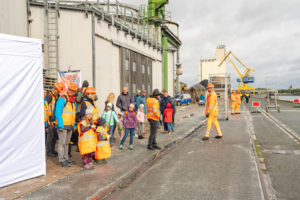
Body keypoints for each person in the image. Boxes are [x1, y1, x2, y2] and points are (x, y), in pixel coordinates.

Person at [55, 82, 78, 167]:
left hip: (70, 126)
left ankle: (66, 157)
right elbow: (58, 113)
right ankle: (61, 160)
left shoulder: (73, 101)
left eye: (73, 91)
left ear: (75, 92)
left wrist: (73, 125)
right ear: (68, 89)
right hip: (63, 125)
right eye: (70, 90)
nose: (71, 91)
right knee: (62, 143)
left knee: (67, 143)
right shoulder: (62, 99)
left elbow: (73, 114)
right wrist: (60, 125)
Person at [45, 82, 64, 157]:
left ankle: (52, 150)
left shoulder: (57, 96)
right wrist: (48, 119)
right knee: (50, 136)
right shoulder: (49, 96)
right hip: (49, 119)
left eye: (58, 91)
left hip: (54, 119)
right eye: (56, 90)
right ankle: (48, 151)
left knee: (54, 136)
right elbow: (46, 108)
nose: (57, 91)